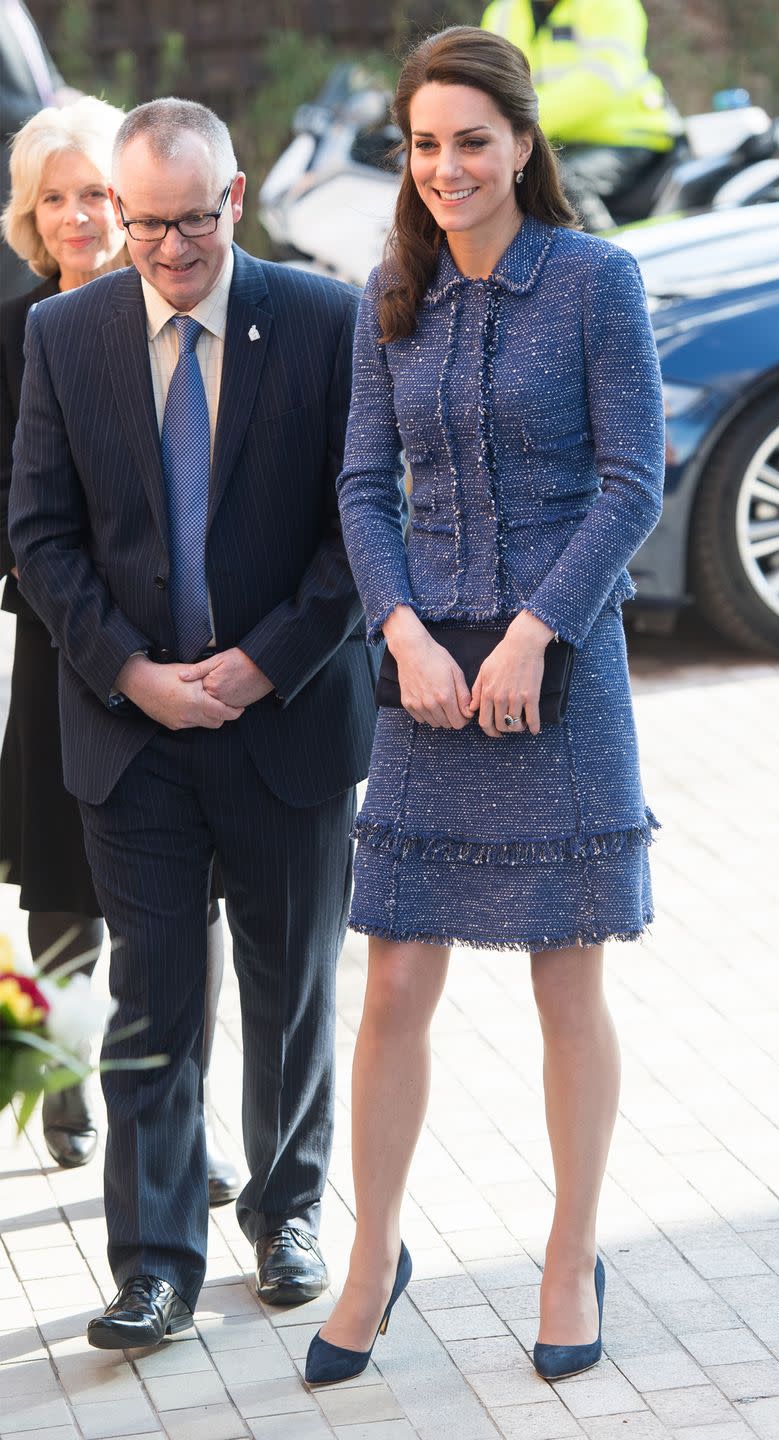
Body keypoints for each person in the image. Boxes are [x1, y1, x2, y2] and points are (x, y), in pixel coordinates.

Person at [309, 25, 664, 1386]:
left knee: (563, 972)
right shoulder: (386, 292)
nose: (446, 166)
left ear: (523, 146)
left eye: (472, 140)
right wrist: (399, 628)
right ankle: (371, 1254)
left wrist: (529, 634)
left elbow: (634, 478)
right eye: (424, 143)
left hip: (557, 669)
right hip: (425, 675)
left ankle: (571, 1254)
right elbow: (360, 490)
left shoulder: (593, 282)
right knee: (396, 978)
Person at [9, 96, 377, 1348]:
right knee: (153, 1002)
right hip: (132, 733)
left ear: (235, 200)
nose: (168, 250)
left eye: (190, 222)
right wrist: (129, 670)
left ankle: (286, 1214)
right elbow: (41, 534)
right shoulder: (65, 334)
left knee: (292, 991)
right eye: (142, 223)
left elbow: (356, 523)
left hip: (289, 721)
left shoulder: (326, 321)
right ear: (115, 211)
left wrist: (265, 664)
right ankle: (153, 1265)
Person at [0, 96, 240, 1204]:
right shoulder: (26, 337)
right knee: (62, 892)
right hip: (65, 656)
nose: (83, 216)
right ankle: (60, 1067)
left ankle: (189, 1121)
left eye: (99, 193)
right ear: (32, 218)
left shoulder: (193, 315)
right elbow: (23, 523)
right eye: (58, 198)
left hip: (189, 663)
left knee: (189, 910)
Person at [481, 0, 682, 229]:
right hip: (551, 142)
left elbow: (601, 82)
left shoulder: (608, 4)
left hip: (630, 138)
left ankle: (606, 261)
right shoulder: (503, 12)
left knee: (557, 182)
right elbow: (491, 87)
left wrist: (519, 121)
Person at [0, 0, 79, 300]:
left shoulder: (14, 7)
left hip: (40, 169)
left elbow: (43, 77)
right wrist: (49, 112)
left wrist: (65, 95)